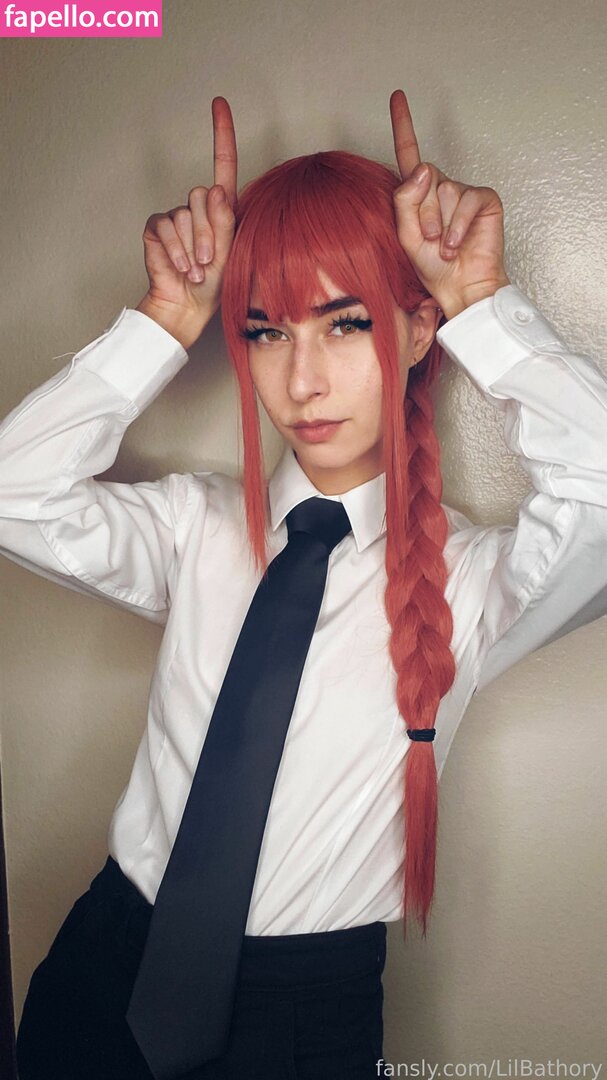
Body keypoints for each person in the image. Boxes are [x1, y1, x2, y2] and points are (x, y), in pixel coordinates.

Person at [3, 91, 606, 1079]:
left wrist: (482, 307)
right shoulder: (191, 529)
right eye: (266, 332)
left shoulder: (471, 582)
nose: (303, 382)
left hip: (300, 1016)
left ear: (417, 331)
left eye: (345, 323)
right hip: (107, 964)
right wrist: (164, 323)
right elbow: (14, 493)